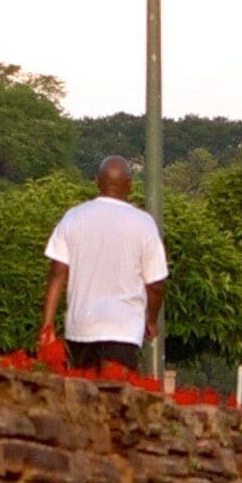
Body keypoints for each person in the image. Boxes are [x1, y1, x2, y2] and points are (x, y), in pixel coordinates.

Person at [38, 154, 169, 374]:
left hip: (81, 327)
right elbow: (156, 285)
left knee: (82, 400)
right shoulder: (144, 224)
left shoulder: (73, 217)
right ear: (129, 184)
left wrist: (47, 324)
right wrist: (152, 320)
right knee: (114, 400)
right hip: (124, 329)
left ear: (97, 181)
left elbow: (57, 272)